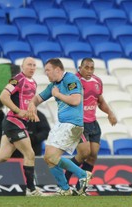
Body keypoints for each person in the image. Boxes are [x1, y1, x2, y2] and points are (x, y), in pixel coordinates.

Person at [27, 58, 92, 196]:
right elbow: (38, 98)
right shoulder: (53, 85)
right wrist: (32, 104)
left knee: (52, 156)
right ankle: (64, 188)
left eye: (48, 71)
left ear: (57, 70)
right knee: (48, 157)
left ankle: (82, 175)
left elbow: (76, 100)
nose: (46, 74)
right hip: (62, 124)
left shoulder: (70, 79)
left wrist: (57, 95)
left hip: (72, 123)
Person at [0, 57, 45, 196]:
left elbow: (29, 102)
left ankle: (31, 189)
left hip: (19, 122)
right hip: (14, 122)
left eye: (34, 65)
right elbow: (3, 96)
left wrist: (32, 112)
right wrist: (18, 111)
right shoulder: (17, 79)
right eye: (29, 65)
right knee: (29, 154)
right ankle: (31, 190)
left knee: (2, 156)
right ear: (22, 66)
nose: (32, 67)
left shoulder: (34, 83)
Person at [64, 58, 117, 193]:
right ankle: (64, 181)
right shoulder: (73, 81)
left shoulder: (97, 81)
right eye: (86, 67)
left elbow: (100, 101)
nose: (89, 70)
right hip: (78, 123)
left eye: (91, 68)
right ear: (80, 68)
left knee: (93, 156)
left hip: (93, 122)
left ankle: (81, 188)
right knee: (84, 153)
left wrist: (110, 113)